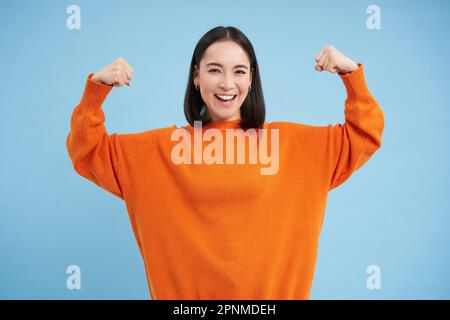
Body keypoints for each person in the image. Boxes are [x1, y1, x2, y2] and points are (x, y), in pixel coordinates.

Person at [66, 26, 384, 300]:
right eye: (214, 70)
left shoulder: (294, 146)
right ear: (196, 76)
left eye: (239, 71)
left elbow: (364, 134)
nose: (227, 83)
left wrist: (350, 74)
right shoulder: (159, 149)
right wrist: (97, 89)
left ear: (251, 79)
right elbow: (86, 151)